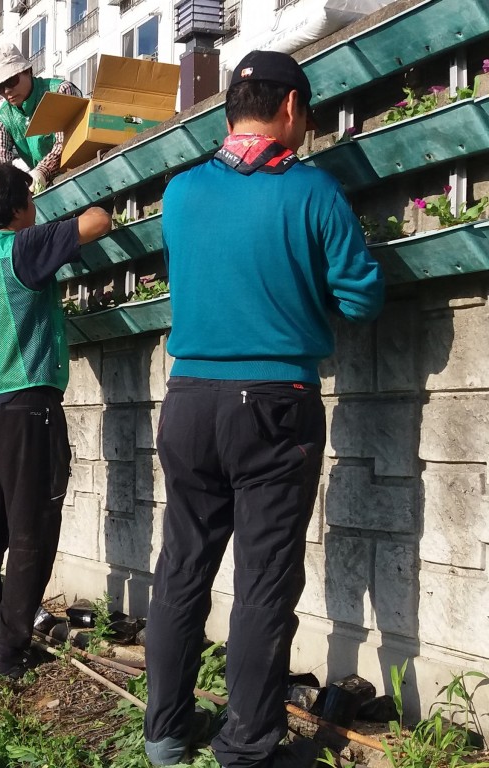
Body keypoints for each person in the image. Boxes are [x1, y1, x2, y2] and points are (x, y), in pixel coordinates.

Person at [141, 51, 385, 768]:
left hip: (186, 401)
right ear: (290, 109)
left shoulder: (180, 193)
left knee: (182, 567)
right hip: (275, 403)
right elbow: (362, 298)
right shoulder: (312, 192)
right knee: (264, 579)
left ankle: (164, 733)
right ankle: (247, 745)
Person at [0, 163, 112, 680]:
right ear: (20, 207)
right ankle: (9, 650)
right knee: (31, 530)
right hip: (25, 407)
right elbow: (98, 221)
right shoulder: (22, 246)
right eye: (31, 198)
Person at [0, 41, 80, 191]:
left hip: (79, 174)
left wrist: (41, 172)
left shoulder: (60, 91)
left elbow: (66, 142)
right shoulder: (0, 120)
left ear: (28, 71)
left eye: (11, 81)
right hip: (44, 188)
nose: (7, 91)